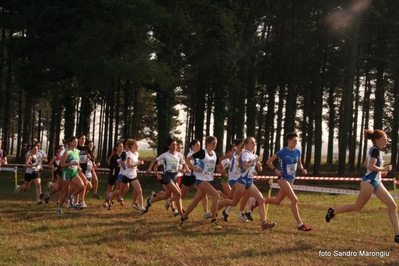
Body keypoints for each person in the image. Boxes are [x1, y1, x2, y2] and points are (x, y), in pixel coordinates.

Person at [325, 129, 399, 243]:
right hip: (368, 182)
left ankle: (397, 235)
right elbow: (370, 167)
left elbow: (365, 163)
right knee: (357, 207)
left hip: (376, 182)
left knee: (392, 206)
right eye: (384, 139)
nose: (386, 142)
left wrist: (379, 172)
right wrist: (384, 168)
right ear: (377, 140)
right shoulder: (375, 150)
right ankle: (333, 212)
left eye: (387, 140)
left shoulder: (375, 150)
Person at [265, 132, 311, 231]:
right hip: (282, 179)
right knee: (295, 200)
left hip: (291, 180)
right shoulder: (282, 152)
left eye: (296, 142)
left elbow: (299, 164)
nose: (295, 143)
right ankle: (300, 224)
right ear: (288, 141)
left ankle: (258, 200)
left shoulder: (298, 152)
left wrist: (302, 169)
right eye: (294, 141)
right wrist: (275, 170)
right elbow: (268, 161)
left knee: (277, 201)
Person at [177, 136, 222, 230]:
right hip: (200, 180)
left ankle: (182, 218)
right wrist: (193, 168)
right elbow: (188, 159)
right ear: (208, 143)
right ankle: (214, 221)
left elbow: (219, 167)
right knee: (217, 195)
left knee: (195, 202)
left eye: (216, 144)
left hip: (209, 180)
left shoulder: (215, 154)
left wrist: (223, 171)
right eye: (213, 143)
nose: (214, 146)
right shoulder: (202, 152)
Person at [146, 138, 188, 217]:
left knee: (166, 195)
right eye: (173, 145)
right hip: (167, 176)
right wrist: (151, 169)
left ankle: (151, 200)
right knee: (178, 194)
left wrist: (185, 170)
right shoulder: (165, 155)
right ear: (169, 146)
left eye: (176, 145)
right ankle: (181, 214)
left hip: (175, 176)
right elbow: (154, 162)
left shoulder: (179, 155)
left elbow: (184, 165)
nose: (175, 146)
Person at [107, 139, 147, 214]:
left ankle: (141, 207)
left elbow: (134, 164)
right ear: (131, 146)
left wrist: (137, 167)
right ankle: (111, 194)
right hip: (126, 175)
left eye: (137, 145)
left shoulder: (137, 154)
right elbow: (128, 165)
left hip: (133, 176)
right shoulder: (129, 154)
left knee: (139, 190)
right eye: (135, 145)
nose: (137, 147)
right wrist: (138, 164)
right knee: (120, 191)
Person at [180, 139, 211, 219]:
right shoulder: (190, 154)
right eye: (197, 145)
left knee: (204, 192)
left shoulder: (199, 154)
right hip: (188, 176)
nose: (199, 147)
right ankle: (170, 201)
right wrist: (194, 168)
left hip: (196, 177)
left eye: (200, 145)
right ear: (192, 146)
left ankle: (206, 212)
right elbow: (187, 163)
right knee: (181, 195)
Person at [56, 136, 85, 214]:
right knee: (65, 192)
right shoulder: (67, 152)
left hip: (74, 172)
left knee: (82, 186)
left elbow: (77, 161)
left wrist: (78, 166)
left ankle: (71, 196)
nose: (76, 144)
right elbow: (62, 164)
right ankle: (59, 209)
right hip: (66, 173)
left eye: (77, 142)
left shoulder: (77, 151)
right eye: (74, 142)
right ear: (70, 143)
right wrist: (71, 163)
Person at [103, 141, 123, 207]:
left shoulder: (123, 156)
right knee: (110, 189)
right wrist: (116, 165)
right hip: (113, 174)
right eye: (120, 146)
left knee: (118, 188)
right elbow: (110, 166)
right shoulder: (114, 156)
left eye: (122, 146)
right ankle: (105, 202)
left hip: (120, 175)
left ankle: (111, 201)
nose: (121, 148)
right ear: (117, 147)